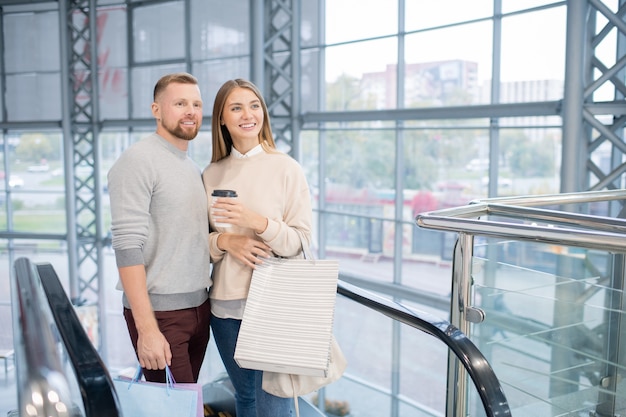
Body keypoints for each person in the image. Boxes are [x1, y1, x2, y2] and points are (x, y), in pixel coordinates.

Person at [202, 78, 313, 417]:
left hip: (272, 304)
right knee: (246, 398)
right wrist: (224, 240)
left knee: (274, 402)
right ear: (222, 118)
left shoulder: (287, 169)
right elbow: (198, 243)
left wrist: (258, 221)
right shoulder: (211, 173)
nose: (247, 114)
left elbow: (301, 242)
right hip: (224, 307)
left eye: (254, 106)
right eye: (236, 107)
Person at [108, 72, 212, 383]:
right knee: (173, 409)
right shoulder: (138, 161)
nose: (190, 111)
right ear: (156, 110)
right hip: (161, 316)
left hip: (199, 307)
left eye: (196, 103)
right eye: (180, 103)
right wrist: (147, 328)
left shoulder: (191, 167)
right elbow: (127, 246)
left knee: (187, 404)